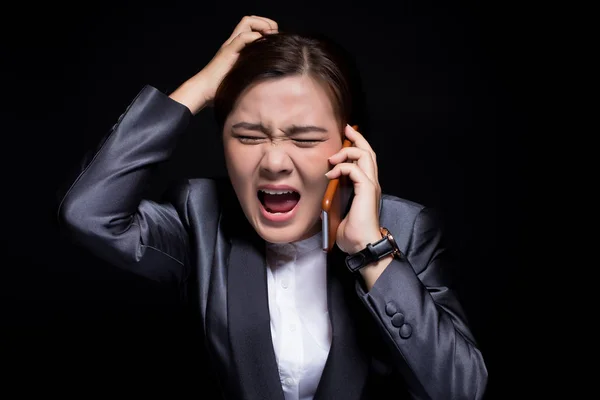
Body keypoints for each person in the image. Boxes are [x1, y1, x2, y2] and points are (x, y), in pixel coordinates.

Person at [57, 15, 488, 400]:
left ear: (350, 144)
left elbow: (459, 390)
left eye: (304, 139)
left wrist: (371, 253)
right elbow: (89, 213)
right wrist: (199, 88)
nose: (275, 162)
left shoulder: (405, 228)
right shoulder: (202, 216)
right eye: (247, 136)